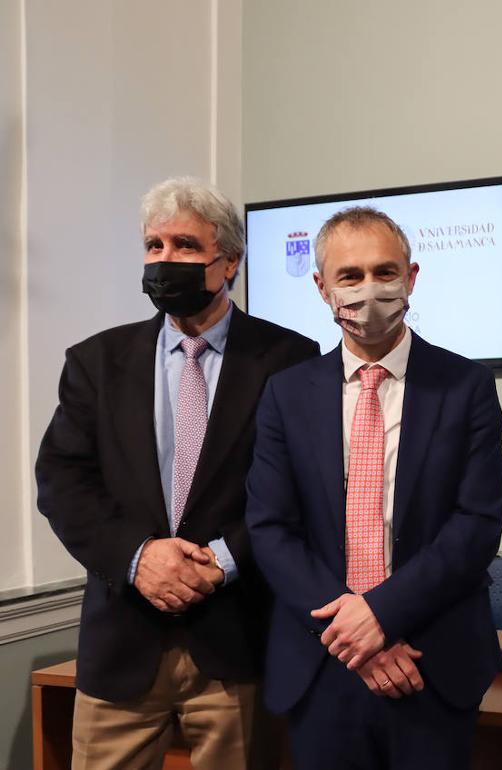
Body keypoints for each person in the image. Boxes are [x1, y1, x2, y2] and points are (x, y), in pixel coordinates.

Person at [35, 176, 319, 768]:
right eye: (154, 246)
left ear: (230, 263)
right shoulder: (96, 363)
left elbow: (300, 490)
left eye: (185, 246)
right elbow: (63, 482)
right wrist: (139, 558)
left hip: (238, 642)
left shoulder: (288, 359)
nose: (166, 261)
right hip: (122, 642)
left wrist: (223, 560)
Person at [246, 206, 502, 769]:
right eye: (350, 276)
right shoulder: (285, 395)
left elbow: (476, 524)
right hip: (322, 663)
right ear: (321, 288)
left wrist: (382, 615)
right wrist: (354, 629)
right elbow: (271, 529)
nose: (370, 289)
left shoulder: (466, 386)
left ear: (411, 278)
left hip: (430, 661)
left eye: (385, 272)